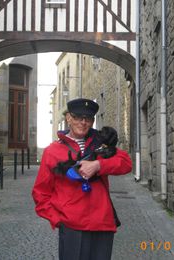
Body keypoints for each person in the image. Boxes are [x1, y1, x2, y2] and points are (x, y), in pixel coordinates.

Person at [32, 98, 132, 260]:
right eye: (78, 117)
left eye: (88, 119)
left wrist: (98, 165)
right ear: (69, 118)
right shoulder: (52, 151)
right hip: (72, 226)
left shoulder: (101, 144)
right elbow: (40, 193)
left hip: (102, 223)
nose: (83, 122)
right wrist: (58, 220)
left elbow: (126, 164)